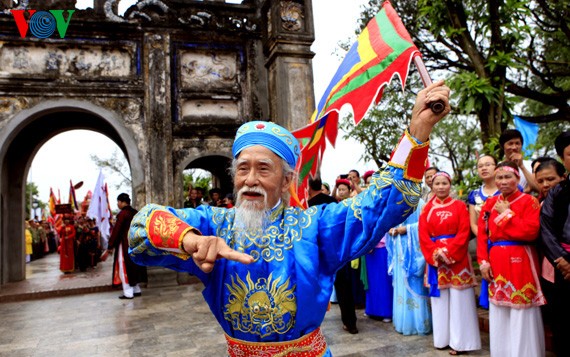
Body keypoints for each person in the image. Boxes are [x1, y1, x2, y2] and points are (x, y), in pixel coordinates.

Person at [128, 81, 450, 355]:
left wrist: (418, 130)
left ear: (286, 182)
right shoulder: (215, 225)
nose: (250, 179)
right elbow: (142, 227)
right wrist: (190, 240)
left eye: (263, 169)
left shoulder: (316, 227)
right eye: (243, 169)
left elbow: (383, 201)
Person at [477, 161, 545, 357]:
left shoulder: (529, 201)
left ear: (517, 178)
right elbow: (483, 235)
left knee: (521, 308)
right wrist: (483, 261)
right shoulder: (489, 203)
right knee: (499, 310)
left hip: (521, 259)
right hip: (496, 261)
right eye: (499, 177)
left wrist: (506, 213)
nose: (503, 181)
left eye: (508, 177)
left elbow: (530, 232)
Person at [419, 171, 481, 355]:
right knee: (440, 302)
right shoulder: (426, 209)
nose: (440, 186)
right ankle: (442, 339)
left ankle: (461, 343)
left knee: (460, 302)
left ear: (450, 184)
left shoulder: (460, 206)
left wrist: (449, 251)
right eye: (437, 183)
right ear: (432, 186)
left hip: (458, 259)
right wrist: (434, 253)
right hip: (435, 260)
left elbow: (464, 232)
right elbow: (423, 236)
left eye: (444, 183)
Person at [540, 131, 570, 357]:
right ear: (563, 159)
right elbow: (547, 229)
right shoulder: (557, 192)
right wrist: (564, 261)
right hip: (563, 267)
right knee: (562, 324)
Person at [385, 199, 432, 335]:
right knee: (401, 283)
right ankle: (403, 321)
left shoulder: (421, 203)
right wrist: (390, 228)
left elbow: (426, 224)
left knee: (415, 283)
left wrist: (407, 229)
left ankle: (419, 323)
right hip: (399, 246)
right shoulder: (395, 202)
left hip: (414, 249)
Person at [106, 193, 147, 299]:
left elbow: (116, 231)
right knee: (136, 266)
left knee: (124, 267)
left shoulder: (122, 214)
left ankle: (128, 292)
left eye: (118, 202)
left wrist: (110, 245)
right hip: (137, 245)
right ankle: (136, 289)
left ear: (121, 202)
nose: (117, 204)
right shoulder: (136, 213)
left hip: (125, 245)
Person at [468, 155, 499, 237]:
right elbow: (473, 224)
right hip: (484, 241)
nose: (484, 168)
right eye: (480, 166)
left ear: (496, 167)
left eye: (488, 165)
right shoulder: (474, 194)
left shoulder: (507, 190)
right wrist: (484, 238)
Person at [499, 129, 538, 193]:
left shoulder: (530, 165)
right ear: (503, 146)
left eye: (517, 143)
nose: (514, 147)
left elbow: (537, 188)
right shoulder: (497, 167)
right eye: (510, 144)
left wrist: (522, 166)